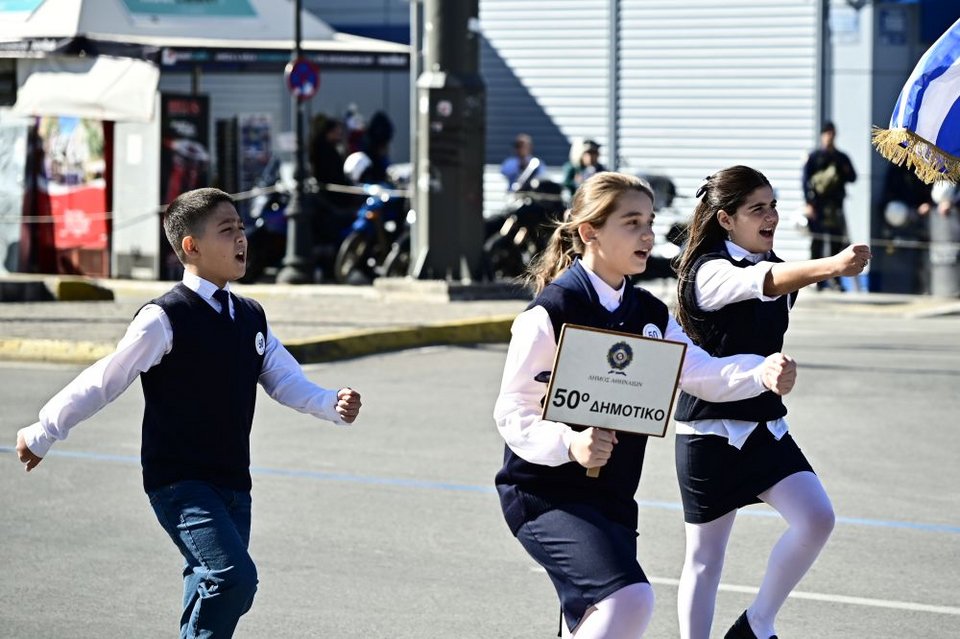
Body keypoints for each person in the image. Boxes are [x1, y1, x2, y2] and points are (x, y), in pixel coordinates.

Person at [15, 187, 363, 638]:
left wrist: (329, 402)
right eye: (227, 230)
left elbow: (283, 378)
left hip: (234, 481)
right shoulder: (165, 317)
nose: (241, 238)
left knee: (212, 583)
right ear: (191, 246)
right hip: (180, 482)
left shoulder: (250, 316)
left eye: (241, 228)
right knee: (233, 579)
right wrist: (45, 430)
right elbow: (105, 379)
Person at [493, 171, 799, 638]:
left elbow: (699, 371)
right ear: (589, 232)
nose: (647, 235)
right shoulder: (549, 315)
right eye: (632, 222)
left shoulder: (649, 314)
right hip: (546, 494)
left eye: (650, 222)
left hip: (613, 494)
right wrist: (569, 443)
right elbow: (513, 412)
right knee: (628, 599)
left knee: (590, 617)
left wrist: (760, 372)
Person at [672, 166, 870, 639]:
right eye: (757, 208)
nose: (771, 216)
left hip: (764, 428)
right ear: (725, 219)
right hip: (709, 433)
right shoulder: (709, 273)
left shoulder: (775, 265)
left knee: (817, 518)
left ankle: (756, 625)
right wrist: (831, 266)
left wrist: (779, 372)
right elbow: (764, 281)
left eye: (774, 204)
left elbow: (775, 280)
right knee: (704, 559)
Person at [802, 121, 857, 290]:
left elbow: (852, 177)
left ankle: (835, 279)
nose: (829, 137)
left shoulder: (841, 157)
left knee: (836, 242)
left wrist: (843, 169)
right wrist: (809, 204)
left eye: (831, 133)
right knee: (817, 242)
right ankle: (816, 280)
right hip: (818, 206)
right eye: (826, 134)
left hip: (835, 206)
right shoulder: (815, 157)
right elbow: (805, 181)